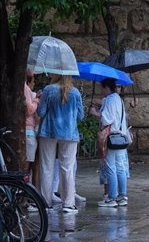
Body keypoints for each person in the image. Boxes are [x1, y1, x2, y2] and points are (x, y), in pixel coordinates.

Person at [37, 73, 84, 213]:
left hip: (48, 131)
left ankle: (46, 203)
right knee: (67, 168)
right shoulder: (75, 92)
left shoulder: (48, 90)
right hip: (69, 134)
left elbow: (40, 112)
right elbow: (80, 116)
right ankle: (68, 204)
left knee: (46, 167)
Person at [91, 79, 131, 207]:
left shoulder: (109, 99)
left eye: (101, 88)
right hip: (121, 137)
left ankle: (112, 197)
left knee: (110, 167)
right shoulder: (118, 99)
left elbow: (106, 119)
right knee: (120, 168)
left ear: (106, 87)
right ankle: (122, 196)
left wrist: (95, 113)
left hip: (111, 137)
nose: (101, 91)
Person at [24, 70, 39, 182]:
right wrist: (37, 101)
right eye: (33, 81)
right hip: (28, 130)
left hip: (26, 130)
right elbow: (29, 110)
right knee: (28, 163)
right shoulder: (26, 89)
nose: (34, 83)